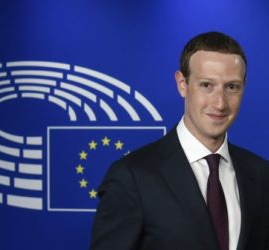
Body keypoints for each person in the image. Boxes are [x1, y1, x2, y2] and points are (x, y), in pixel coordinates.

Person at [90, 31, 269, 250]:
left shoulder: (261, 174)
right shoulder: (131, 177)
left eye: (231, 87)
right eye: (206, 85)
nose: (220, 103)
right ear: (182, 84)